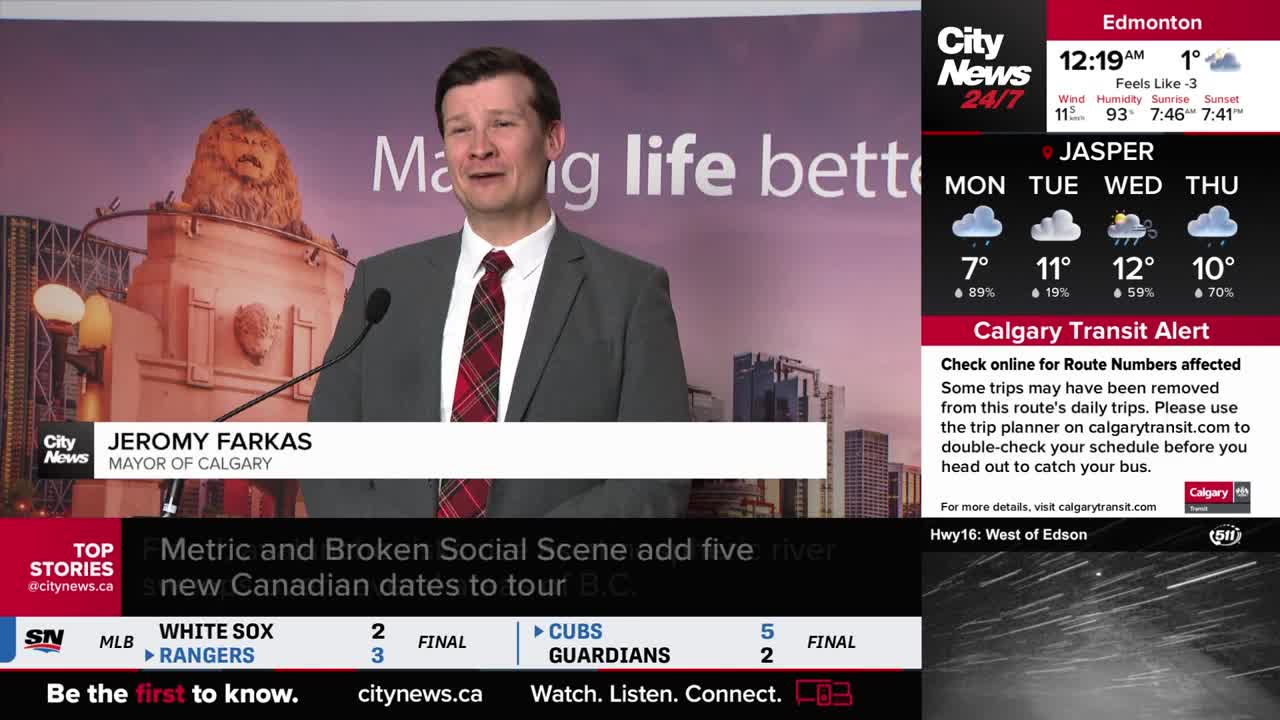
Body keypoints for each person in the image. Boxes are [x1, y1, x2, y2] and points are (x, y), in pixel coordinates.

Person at [301, 47, 690, 518]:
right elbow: (327, 457)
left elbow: (653, 482)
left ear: (553, 139)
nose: (479, 147)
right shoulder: (382, 285)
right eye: (460, 129)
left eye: (502, 124)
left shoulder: (631, 295)